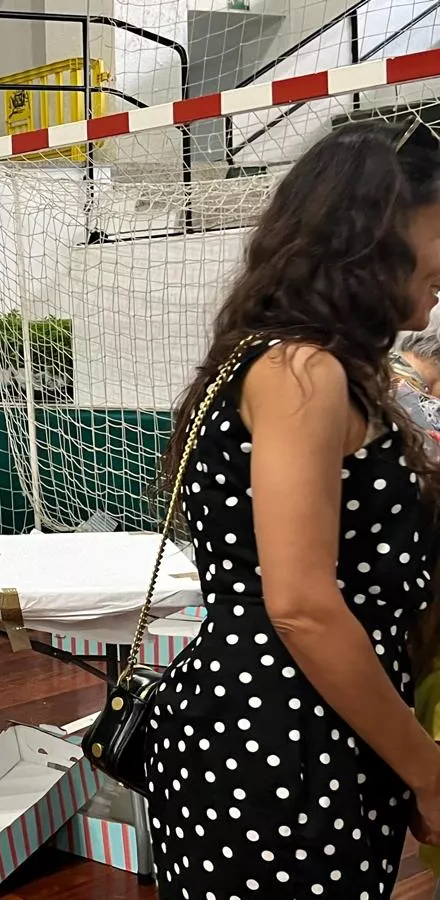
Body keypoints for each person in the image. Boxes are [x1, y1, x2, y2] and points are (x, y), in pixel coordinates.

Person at [142, 119, 440, 900]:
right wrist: (427, 769)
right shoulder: (302, 371)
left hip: (310, 725)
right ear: (378, 229)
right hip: (285, 735)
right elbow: (302, 604)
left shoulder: (294, 363)